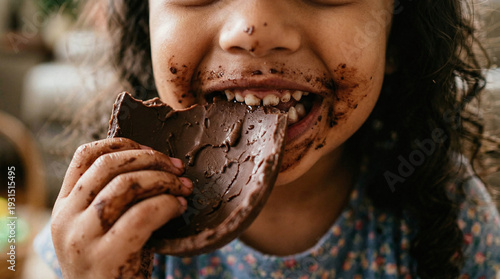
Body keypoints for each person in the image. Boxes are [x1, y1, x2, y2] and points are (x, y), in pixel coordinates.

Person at [34, 0, 500, 278]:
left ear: (399, 36)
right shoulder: (106, 230)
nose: (254, 31)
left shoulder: (449, 218)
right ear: (145, 22)